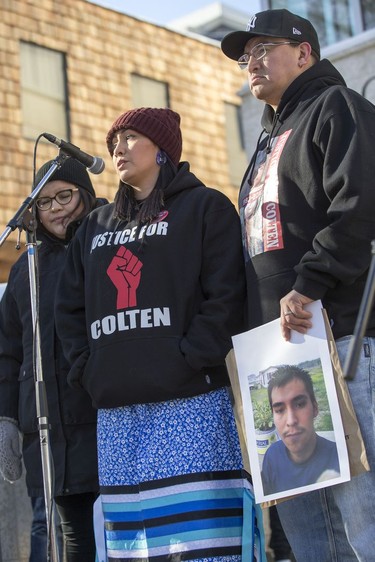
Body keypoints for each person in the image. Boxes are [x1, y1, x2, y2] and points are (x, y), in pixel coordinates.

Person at [54, 107, 266, 561]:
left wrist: (188, 358)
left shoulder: (205, 207)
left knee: (202, 545)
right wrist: (87, 371)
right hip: (117, 417)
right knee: (135, 549)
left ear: (162, 148)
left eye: (131, 137)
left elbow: (226, 295)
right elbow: (67, 308)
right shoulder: (95, 225)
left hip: (190, 405)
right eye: (115, 140)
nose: (119, 147)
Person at [221, 8, 375, 561]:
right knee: (309, 532)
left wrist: (310, 281)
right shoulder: (265, 141)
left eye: (265, 48)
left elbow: (359, 210)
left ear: (305, 52)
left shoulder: (339, 108)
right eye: (247, 54)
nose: (252, 62)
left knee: (362, 519)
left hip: (340, 340)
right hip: (277, 356)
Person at [0, 157, 104, 561]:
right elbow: (8, 350)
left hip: (97, 420)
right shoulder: (27, 267)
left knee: (110, 533)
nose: (56, 207)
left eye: (65, 195)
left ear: (86, 194)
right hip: (43, 431)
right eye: (44, 202)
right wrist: (7, 418)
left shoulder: (103, 245)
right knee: (53, 529)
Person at [261, 365, 339, 495]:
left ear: (315, 408)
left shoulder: (339, 457)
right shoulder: (271, 457)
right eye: (279, 410)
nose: (291, 421)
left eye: (300, 404)